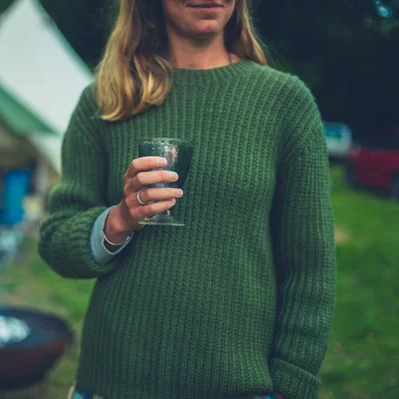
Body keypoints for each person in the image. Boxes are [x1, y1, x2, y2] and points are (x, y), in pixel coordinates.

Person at [39, 0, 336, 398]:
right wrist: (119, 219)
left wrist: (291, 385)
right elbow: (57, 241)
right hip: (111, 385)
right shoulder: (106, 100)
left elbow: (310, 269)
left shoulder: (283, 102)